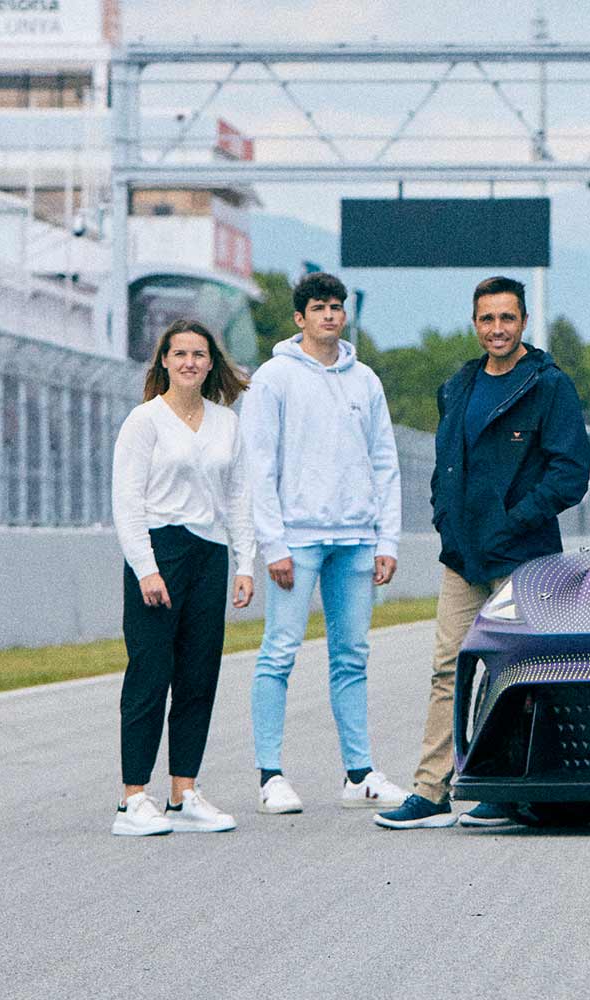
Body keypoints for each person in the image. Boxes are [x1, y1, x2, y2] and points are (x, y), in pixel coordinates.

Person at [378, 276, 590, 830]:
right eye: (487, 319)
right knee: (447, 670)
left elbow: (570, 476)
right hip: (463, 559)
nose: (497, 329)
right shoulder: (459, 385)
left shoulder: (549, 386)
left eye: (507, 318)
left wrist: (513, 521)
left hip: (523, 558)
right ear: (475, 324)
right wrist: (447, 521)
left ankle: (505, 788)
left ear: (523, 322)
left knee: (515, 671)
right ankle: (430, 791)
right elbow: (447, 466)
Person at [240, 272, 408, 814]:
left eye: (336, 307)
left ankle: (358, 772)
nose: (330, 316)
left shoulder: (366, 381)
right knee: (279, 652)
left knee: (352, 655)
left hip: (358, 538)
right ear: (299, 318)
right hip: (298, 540)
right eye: (319, 308)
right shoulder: (272, 379)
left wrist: (388, 540)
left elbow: (385, 464)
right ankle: (271, 776)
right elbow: (258, 468)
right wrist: (274, 544)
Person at [109, 319, 256, 837]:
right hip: (159, 550)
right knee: (150, 674)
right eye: (180, 354)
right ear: (165, 362)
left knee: (198, 677)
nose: (190, 362)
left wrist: (245, 563)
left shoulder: (226, 424)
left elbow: (238, 497)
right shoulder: (144, 421)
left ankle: (183, 792)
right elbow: (126, 501)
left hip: (209, 554)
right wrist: (145, 568)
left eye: (199, 354)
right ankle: (133, 798)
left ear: (211, 362)